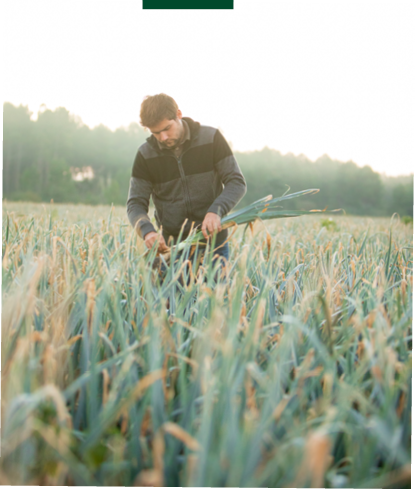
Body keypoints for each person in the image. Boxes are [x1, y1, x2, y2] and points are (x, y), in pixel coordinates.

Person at [127, 93, 247, 275]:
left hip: (213, 244)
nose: (163, 137)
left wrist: (216, 211)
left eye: (167, 128)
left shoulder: (211, 138)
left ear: (179, 114)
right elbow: (135, 203)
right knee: (169, 304)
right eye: (156, 133)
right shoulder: (145, 155)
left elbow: (236, 182)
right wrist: (147, 231)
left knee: (212, 302)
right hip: (171, 248)